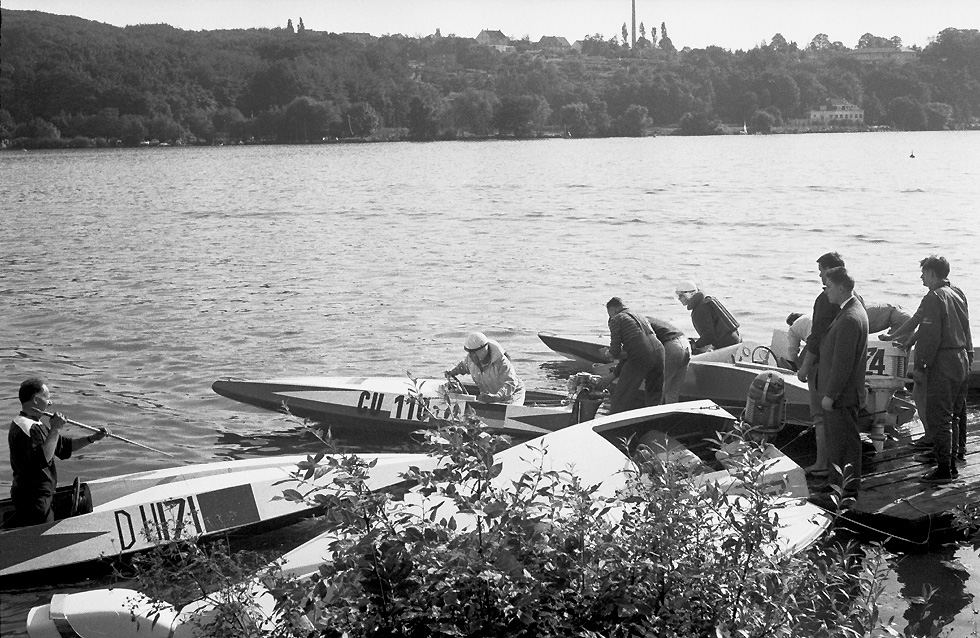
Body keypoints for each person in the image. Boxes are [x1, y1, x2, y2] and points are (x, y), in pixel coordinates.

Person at [8, 378, 110, 527]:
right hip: (34, 499)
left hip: (40, 496)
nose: (50, 403)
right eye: (47, 398)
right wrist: (55, 428)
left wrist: (92, 438)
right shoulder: (26, 427)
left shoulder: (35, 423)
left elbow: (63, 447)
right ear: (36, 400)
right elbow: (43, 458)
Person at [811, 267, 869, 508]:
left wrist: (830, 395)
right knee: (838, 442)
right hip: (841, 393)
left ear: (842, 288)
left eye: (830, 286)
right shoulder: (848, 311)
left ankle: (845, 490)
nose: (826, 291)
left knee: (845, 443)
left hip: (841, 395)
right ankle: (835, 484)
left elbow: (843, 363)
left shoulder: (849, 318)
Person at [912, 256, 972, 484]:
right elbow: (966, 329)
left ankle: (944, 469)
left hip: (943, 361)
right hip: (961, 357)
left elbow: (929, 338)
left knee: (940, 417)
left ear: (933, 274)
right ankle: (954, 460)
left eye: (924, 273)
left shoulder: (934, 297)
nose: (922, 277)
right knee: (954, 415)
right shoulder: (957, 293)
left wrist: (921, 366)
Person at [797, 251, 848, 476]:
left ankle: (821, 463)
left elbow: (816, 337)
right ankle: (839, 464)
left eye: (821, 271)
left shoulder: (825, 299)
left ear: (830, 271)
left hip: (823, 365)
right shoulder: (850, 299)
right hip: (843, 364)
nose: (820, 277)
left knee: (819, 416)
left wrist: (805, 367)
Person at [599, 297, 665, 412]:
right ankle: (653, 423)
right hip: (660, 351)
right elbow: (631, 349)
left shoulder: (616, 319)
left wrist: (606, 353)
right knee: (654, 396)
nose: (609, 317)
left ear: (613, 309)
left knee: (621, 397)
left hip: (640, 355)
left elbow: (615, 351)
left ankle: (616, 425)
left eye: (608, 313)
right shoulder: (640, 316)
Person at [446, 332, 526, 405]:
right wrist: (451, 372)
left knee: (508, 413)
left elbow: (510, 383)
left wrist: (497, 396)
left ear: (483, 350)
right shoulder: (470, 360)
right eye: (469, 352)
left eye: (474, 353)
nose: (471, 356)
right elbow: (462, 367)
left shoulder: (502, 362)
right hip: (489, 396)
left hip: (513, 395)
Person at [674, 282, 741, 354]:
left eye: (681, 296)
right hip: (735, 340)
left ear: (689, 294)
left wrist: (695, 346)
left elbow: (709, 336)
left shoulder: (700, 309)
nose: (679, 299)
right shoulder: (705, 302)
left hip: (726, 346)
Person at [644, 315, 691, 404]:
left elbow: (648, 346)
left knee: (660, 387)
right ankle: (671, 415)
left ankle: (655, 414)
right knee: (672, 391)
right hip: (685, 344)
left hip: (673, 346)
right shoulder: (647, 319)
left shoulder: (637, 324)